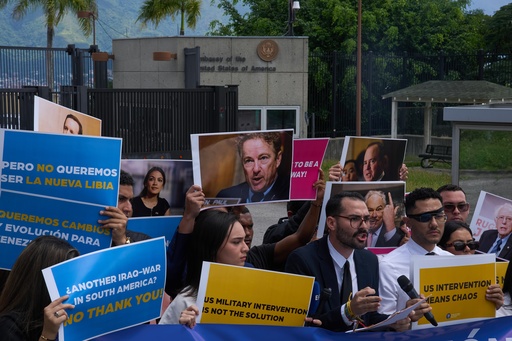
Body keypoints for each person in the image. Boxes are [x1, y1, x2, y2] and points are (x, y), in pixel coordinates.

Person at [165, 170, 325, 298]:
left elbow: (299, 237)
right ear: (212, 243)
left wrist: (316, 201)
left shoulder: (252, 263)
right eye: (235, 241)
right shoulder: (188, 294)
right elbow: (171, 279)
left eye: (245, 233)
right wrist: (189, 216)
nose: (245, 246)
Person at [285, 192, 413, 332]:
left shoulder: (369, 260)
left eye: (366, 219)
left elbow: (369, 318)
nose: (364, 226)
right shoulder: (302, 260)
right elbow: (301, 324)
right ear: (331, 223)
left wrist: (394, 321)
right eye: (355, 219)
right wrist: (348, 312)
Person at [378, 187, 452, 317]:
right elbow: (383, 320)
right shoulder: (389, 266)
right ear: (408, 223)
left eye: (439, 216)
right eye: (425, 218)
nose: (434, 224)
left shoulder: (453, 261)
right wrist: (405, 316)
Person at [0, 236, 79, 341]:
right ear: (42, 282)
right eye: (67, 278)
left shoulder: (71, 317)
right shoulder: (8, 326)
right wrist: (48, 334)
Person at [438, 220, 504, 309]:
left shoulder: (486, 277)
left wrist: (495, 303)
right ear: (442, 248)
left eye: (471, 244)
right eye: (459, 245)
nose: (467, 249)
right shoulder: (431, 277)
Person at [216, 132, 290, 203]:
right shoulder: (225, 197)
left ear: (278, 159)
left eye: (263, 158)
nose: (256, 169)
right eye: (249, 161)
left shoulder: (293, 195)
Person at [98, 170, 151, 246]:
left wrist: (122, 240)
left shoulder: (142, 240)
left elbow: (132, 250)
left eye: (131, 200)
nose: (129, 208)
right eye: (121, 198)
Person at [328, 143, 408, 182]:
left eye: (372, 161)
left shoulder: (392, 179)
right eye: (365, 163)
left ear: (383, 162)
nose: (367, 168)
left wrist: (401, 180)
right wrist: (332, 183)